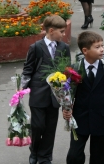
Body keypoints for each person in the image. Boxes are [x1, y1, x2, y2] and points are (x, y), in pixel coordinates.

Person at [63, 31, 104, 164]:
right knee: (74, 156)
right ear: (85, 50)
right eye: (97, 47)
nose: (102, 49)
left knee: (100, 158)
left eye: (102, 46)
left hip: (101, 120)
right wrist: (66, 109)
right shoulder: (74, 69)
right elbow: (68, 93)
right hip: (80, 119)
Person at [21, 15, 71, 164]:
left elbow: (67, 71)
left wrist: (67, 94)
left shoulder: (64, 48)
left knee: (50, 128)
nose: (63, 34)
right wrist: (21, 89)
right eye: (61, 31)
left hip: (56, 95)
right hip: (38, 93)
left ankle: (45, 156)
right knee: (37, 126)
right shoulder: (36, 47)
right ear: (51, 30)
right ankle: (34, 151)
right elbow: (28, 69)